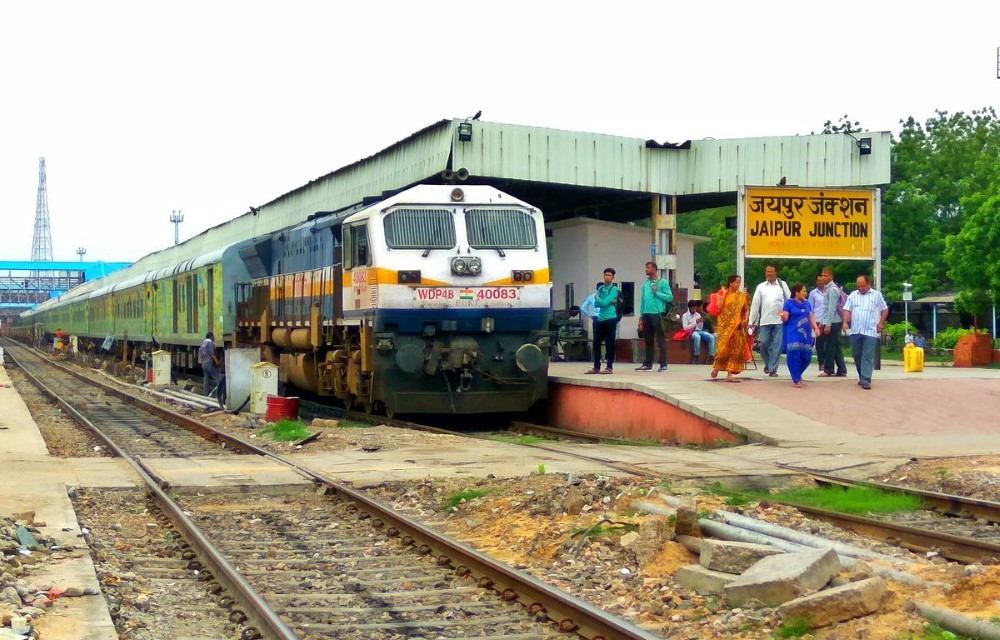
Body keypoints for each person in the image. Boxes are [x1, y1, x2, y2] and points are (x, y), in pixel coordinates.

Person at [842, 275, 889, 390]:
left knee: (867, 356)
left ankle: (866, 380)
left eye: (863, 285)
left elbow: (885, 309)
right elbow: (847, 310)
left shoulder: (876, 295)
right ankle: (862, 376)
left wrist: (881, 323)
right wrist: (845, 322)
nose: (860, 288)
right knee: (857, 355)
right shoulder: (853, 295)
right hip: (856, 330)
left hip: (870, 331)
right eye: (858, 286)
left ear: (868, 284)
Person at [749, 265, 791, 377]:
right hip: (765, 320)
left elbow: (790, 301)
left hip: (779, 321)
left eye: (772, 272)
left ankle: (773, 369)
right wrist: (751, 322)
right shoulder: (761, 287)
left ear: (776, 272)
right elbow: (755, 305)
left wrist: (788, 315)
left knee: (777, 345)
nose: (769, 274)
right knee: (763, 343)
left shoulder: (782, 285)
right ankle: (768, 364)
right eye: (767, 272)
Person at [710, 275, 750, 383]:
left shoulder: (742, 296)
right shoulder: (722, 294)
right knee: (722, 348)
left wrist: (745, 319)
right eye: (736, 282)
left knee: (735, 350)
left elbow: (746, 309)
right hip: (724, 326)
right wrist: (720, 299)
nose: (738, 285)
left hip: (737, 326)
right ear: (730, 283)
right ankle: (716, 368)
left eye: (739, 283)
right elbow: (717, 309)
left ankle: (730, 374)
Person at [780, 283, 820, 388]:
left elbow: (811, 316)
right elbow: (786, 318)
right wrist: (783, 316)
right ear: (796, 292)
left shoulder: (807, 304)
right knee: (794, 353)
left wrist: (815, 328)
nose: (805, 293)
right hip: (793, 332)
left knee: (806, 356)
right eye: (803, 291)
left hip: (805, 334)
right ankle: (796, 379)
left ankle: (797, 374)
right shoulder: (788, 303)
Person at [636, 261, 673, 372]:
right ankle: (648, 363)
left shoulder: (663, 282)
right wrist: (640, 317)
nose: (646, 270)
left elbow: (669, 297)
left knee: (660, 339)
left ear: (654, 269)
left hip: (657, 314)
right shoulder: (645, 284)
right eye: (645, 267)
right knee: (648, 340)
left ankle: (663, 364)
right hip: (646, 314)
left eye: (648, 268)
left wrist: (657, 293)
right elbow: (642, 301)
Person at [585, 268, 620, 375]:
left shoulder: (614, 290)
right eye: (606, 275)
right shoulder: (600, 288)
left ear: (613, 277)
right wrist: (602, 301)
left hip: (610, 318)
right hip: (600, 318)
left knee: (610, 343)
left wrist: (598, 299)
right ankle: (596, 367)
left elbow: (603, 303)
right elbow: (596, 304)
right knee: (596, 342)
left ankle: (609, 367)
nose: (607, 277)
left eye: (610, 275)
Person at [818, 268, 848, 377]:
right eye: (822, 275)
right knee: (835, 346)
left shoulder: (833, 289)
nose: (823, 278)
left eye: (826, 276)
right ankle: (842, 369)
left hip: (833, 322)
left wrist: (828, 324)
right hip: (828, 320)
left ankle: (828, 369)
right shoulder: (827, 288)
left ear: (831, 277)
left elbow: (832, 308)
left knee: (829, 347)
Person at [808, 275, 827, 374]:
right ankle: (821, 363)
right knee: (819, 343)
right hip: (818, 321)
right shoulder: (813, 293)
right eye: (818, 280)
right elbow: (810, 308)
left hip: (827, 320)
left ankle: (828, 362)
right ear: (816, 282)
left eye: (822, 280)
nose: (820, 282)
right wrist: (812, 323)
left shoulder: (829, 291)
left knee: (827, 343)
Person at [199, 331, 221, 396]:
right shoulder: (210, 343)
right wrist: (217, 361)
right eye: (213, 336)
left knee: (206, 380)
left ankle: (206, 394)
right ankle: (219, 395)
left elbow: (200, 353)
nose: (214, 338)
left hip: (204, 364)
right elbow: (212, 353)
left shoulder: (203, 344)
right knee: (218, 379)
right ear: (211, 337)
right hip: (209, 364)